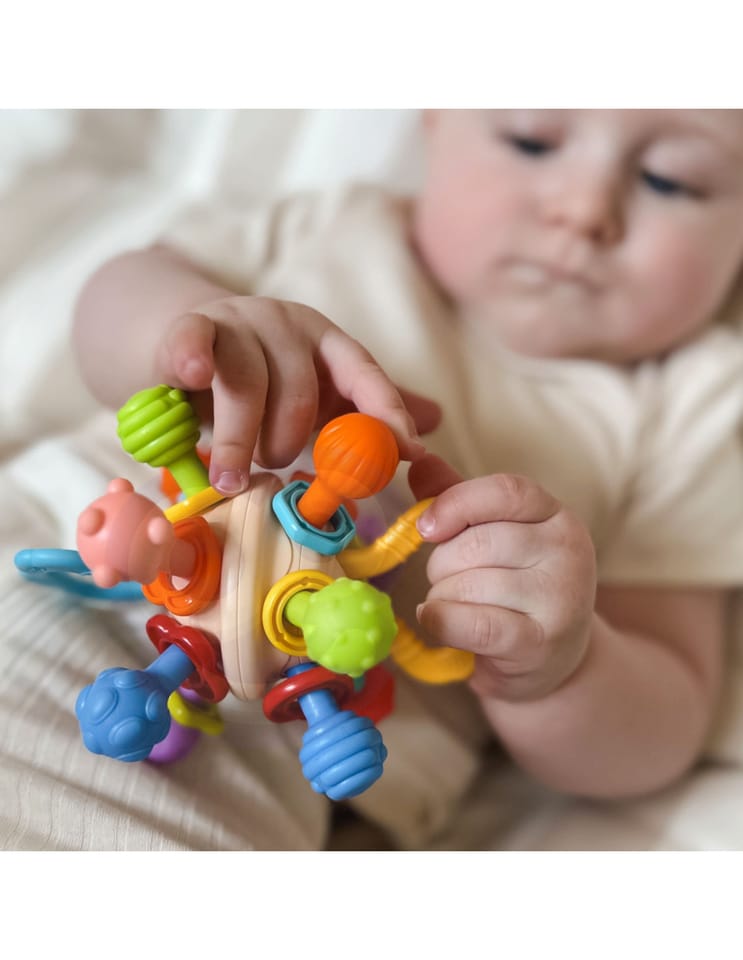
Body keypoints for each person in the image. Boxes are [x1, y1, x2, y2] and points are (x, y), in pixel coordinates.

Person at [63, 110, 743, 845]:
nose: (583, 211)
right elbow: (112, 292)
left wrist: (562, 669)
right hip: (63, 541)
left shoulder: (693, 402)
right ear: (435, 120)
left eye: (671, 180)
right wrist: (193, 333)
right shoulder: (333, 226)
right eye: (531, 140)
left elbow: (662, 731)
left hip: (306, 748)